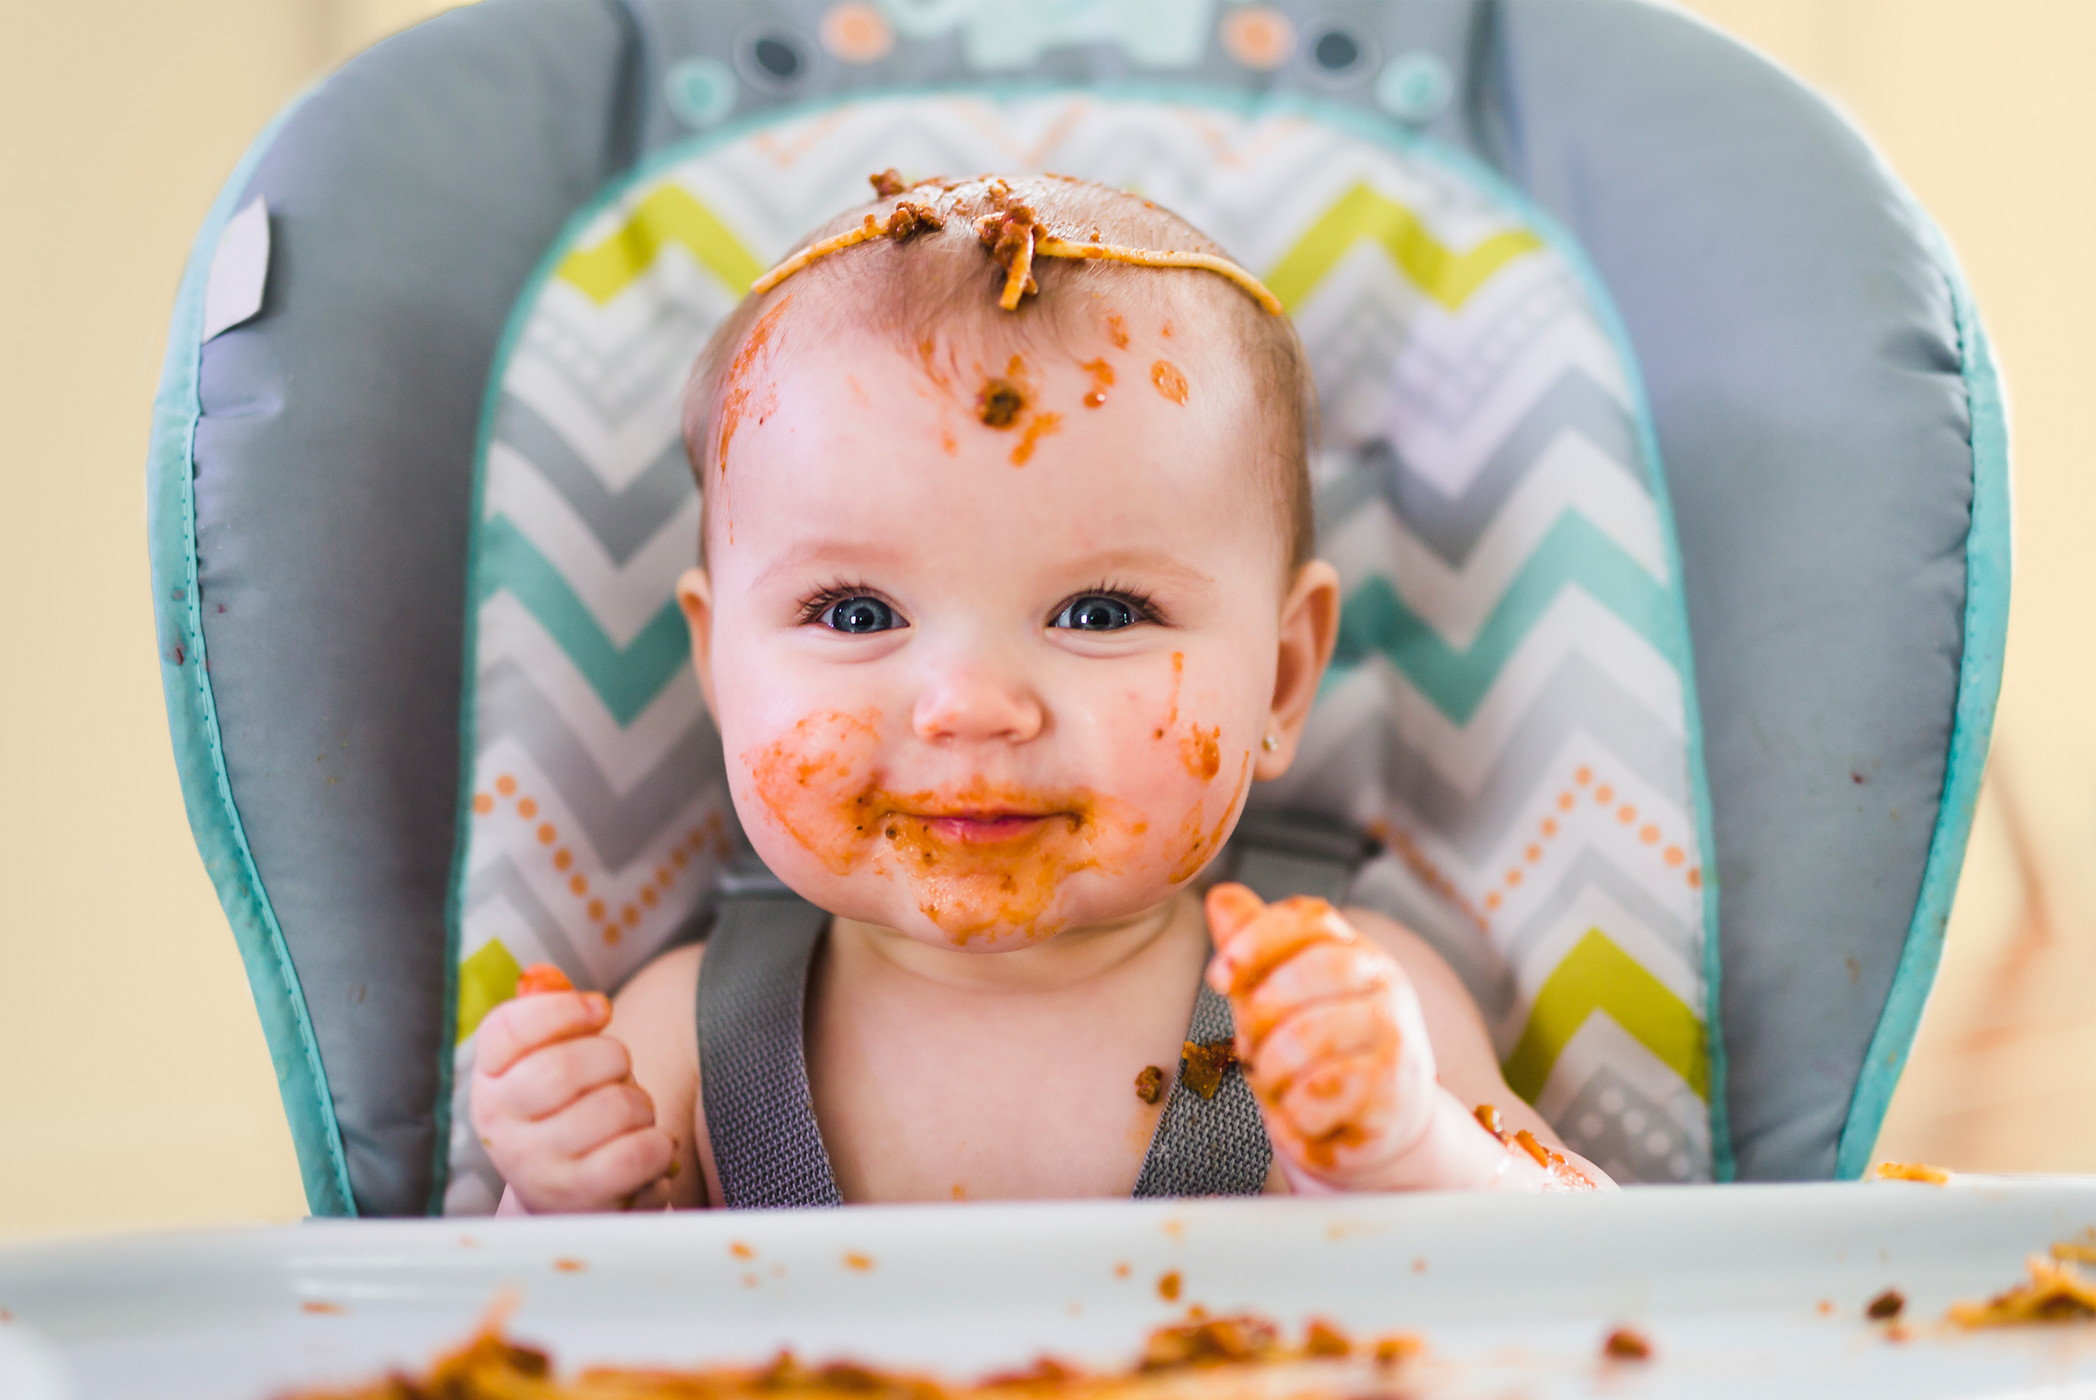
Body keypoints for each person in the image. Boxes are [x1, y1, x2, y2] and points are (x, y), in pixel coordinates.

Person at [471, 173, 1612, 1212]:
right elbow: (528, 1334)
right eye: (858, 613)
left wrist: (1411, 1154)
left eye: (1101, 613)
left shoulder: (1338, 1011)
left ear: (1286, 673)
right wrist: (565, 1194)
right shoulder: (682, 1033)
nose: (968, 704)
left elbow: (1604, 1277)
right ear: (718, 665)